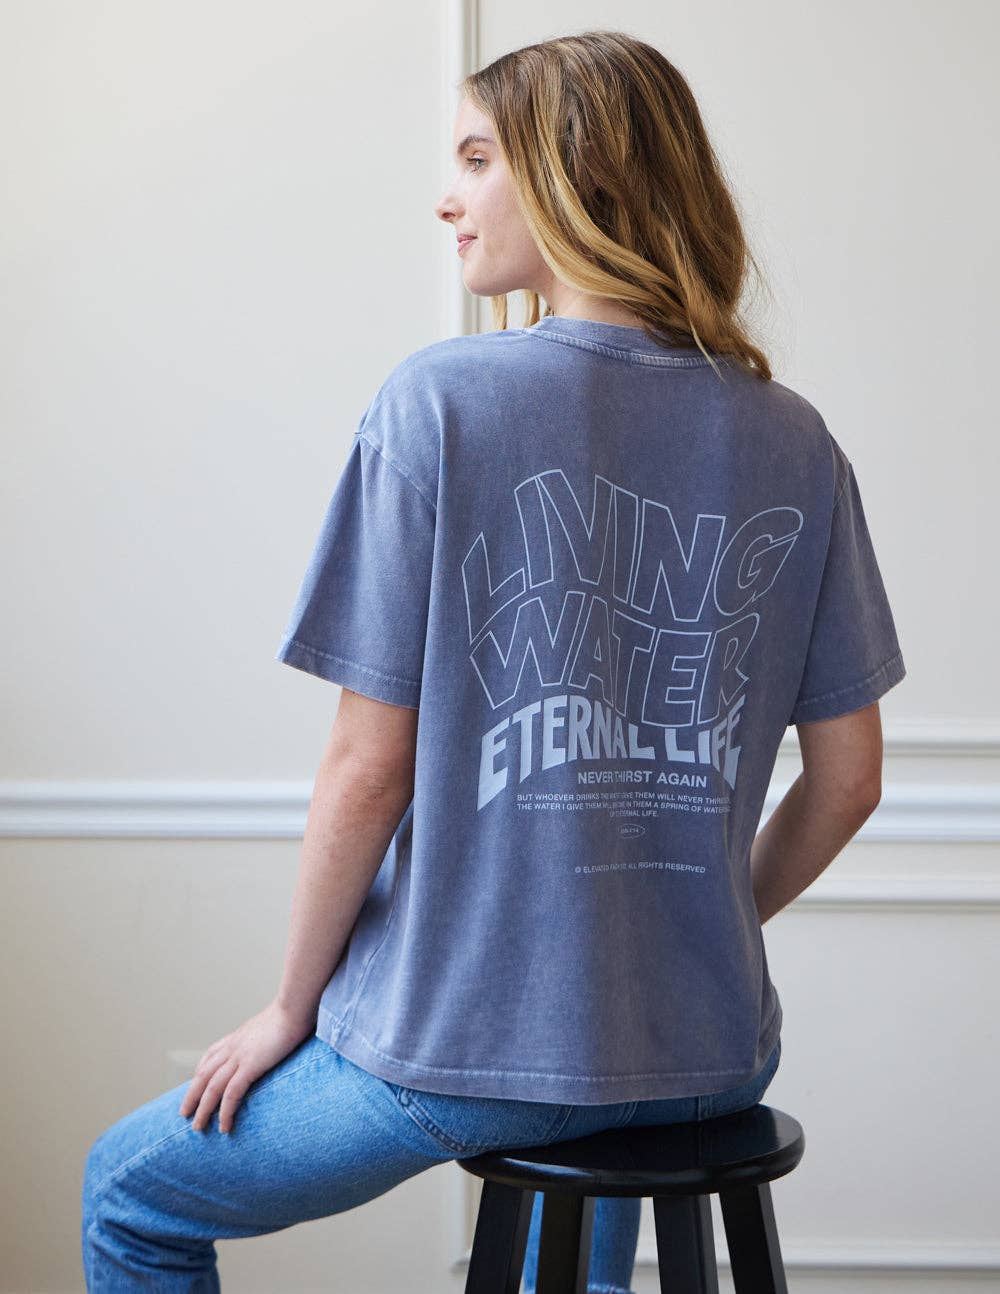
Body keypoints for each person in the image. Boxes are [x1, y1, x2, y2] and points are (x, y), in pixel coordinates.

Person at [80, 29, 906, 1293]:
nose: (446, 195)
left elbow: (369, 768)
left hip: (476, 1050)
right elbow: (849, 780)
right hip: (707, 1052)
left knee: (129, 1194)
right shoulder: (795, 439)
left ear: (577, 174)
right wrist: (685, 926)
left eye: (476, 158)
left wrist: (290, 1008)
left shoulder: (440, 403)